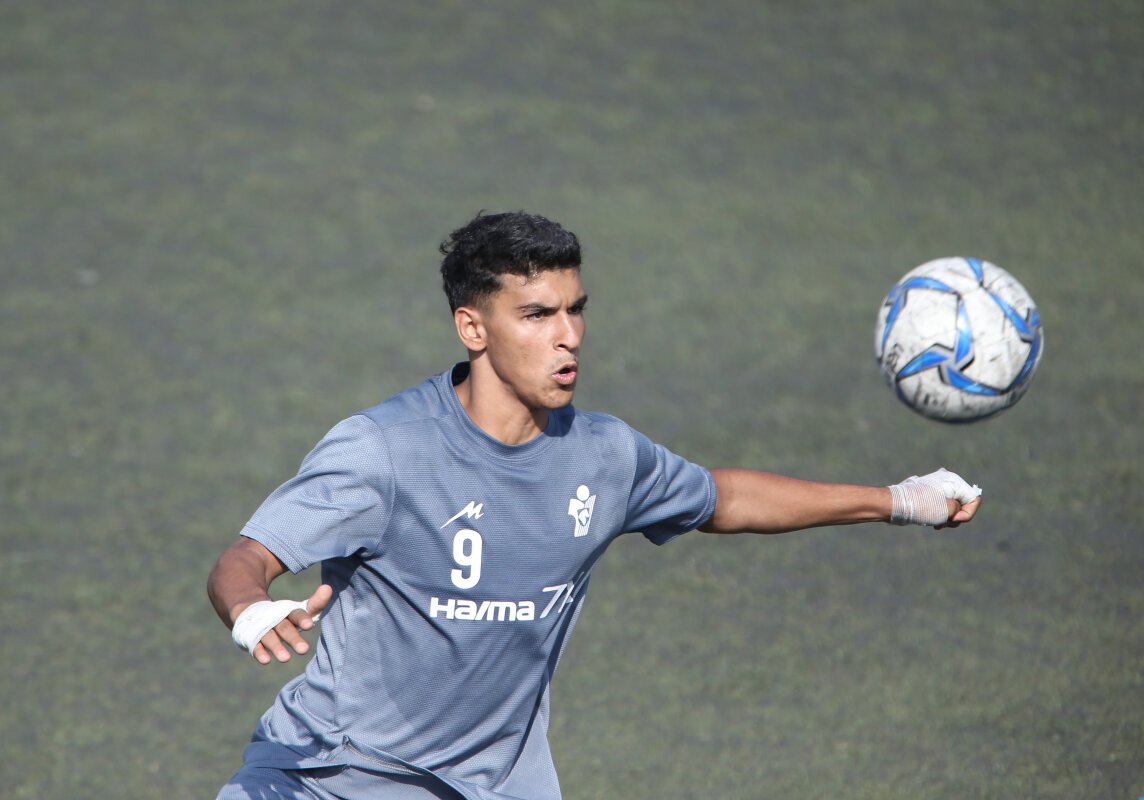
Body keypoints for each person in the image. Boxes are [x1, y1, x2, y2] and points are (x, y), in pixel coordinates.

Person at [208, 211, 981, 800]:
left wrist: (899, 500)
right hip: (328, 777)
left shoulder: (604, 456)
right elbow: (247, 558)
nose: (569, 336)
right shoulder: (384, 450)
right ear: (472, 327)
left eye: (575, 309)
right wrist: (251, 610)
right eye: (537, 315)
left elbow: (725, 498)